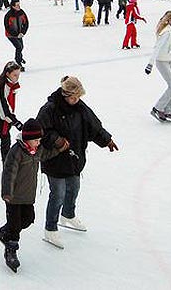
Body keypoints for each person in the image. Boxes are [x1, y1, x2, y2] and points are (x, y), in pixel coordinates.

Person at [37, 76, 118, 249]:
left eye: (78, 97)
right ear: (66, 94)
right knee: (57, 194)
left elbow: (94, 127)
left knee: (74, 188)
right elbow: (40, 130)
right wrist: (57, 140)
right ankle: (50, 228)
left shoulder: (81, 108)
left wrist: (107, 140)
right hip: (55, 159)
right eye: (74, 97)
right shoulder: (50, 109)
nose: (77, 100)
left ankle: (67, 215)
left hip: (74, 157)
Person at [0, 119, 69, 273]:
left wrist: (60, 149)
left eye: (39, 140)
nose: (38, 143)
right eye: (36, 140)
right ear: (27, 139)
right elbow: (9, 173)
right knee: (15, 226)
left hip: (28, 196)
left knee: (28, 219)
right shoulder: (16, 152)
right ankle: (10, 251)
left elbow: (47, 154)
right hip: (14, 197)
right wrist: (7, 193)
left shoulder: (36, 151)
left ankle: (5, 231)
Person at [3, 0, 29, 70]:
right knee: (19, 47)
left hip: (19, 34)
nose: (19, 6)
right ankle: (18, 63)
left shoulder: (22, 12)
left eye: (19, 4)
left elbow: (26, 23)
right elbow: (7, 27)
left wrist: (22, 32)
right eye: (17, 5)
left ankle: (19, 57)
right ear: (13, 6)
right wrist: (16, 34)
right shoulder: (8, 15)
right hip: (11, 35)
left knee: (21, 46)